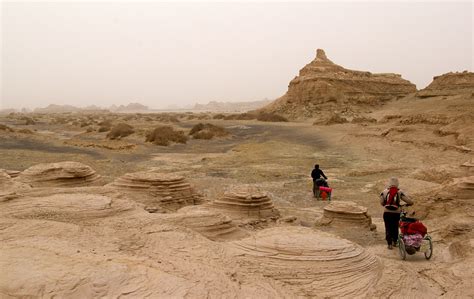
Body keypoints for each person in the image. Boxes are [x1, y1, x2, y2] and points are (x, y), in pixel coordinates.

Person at [380, 177, 414, 250]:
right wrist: (411, 203)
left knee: (388, 227)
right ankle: (395, 242)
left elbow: (382, 203)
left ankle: (389, 244)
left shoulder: (384, 191)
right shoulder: (399, 192)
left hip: (386, 213)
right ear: (397, 184)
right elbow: (408, 201)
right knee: (395, 226)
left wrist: (386, 205)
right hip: (396, 213)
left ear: (389, 183)